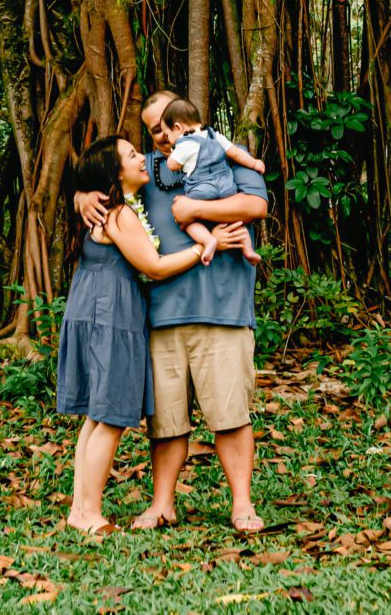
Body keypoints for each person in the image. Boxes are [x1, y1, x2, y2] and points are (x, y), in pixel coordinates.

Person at [79, 90, 271, 534]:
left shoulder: (223, 152)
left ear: (185, 114)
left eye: (169, 121)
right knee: (166, 421)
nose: (165, 134)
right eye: (154, 129)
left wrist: (196, 209)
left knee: (230, 413)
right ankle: (162, 503)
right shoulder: (148, 170)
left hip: (221, 307)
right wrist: (81, 196)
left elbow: (256, 205)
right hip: (160, 314)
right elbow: (107, 182)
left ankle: (241, 503)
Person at [53, 134, 243, 535]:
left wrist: (80, 196)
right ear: (114, 172)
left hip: (96, 311)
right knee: (109, 418)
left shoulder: (109, 209)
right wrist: (207, 246)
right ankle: (89, 513)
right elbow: (153, 266)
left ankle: (80, 507)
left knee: (96, 418)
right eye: (131, 155)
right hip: (111, 317)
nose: (141, 156)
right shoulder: (120, 214)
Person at [155, 96, 265, 266]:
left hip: (202, 190)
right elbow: (235, 152)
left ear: (178, 127)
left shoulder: (185, 143)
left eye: (168, 134)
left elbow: (172, 165)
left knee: (187, 221)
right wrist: (254, 162)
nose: (167, 139)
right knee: (234, 220)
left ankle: (208, 241)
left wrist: (173, 153)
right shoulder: (215, 136)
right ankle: (249, 249)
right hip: (227, 187)